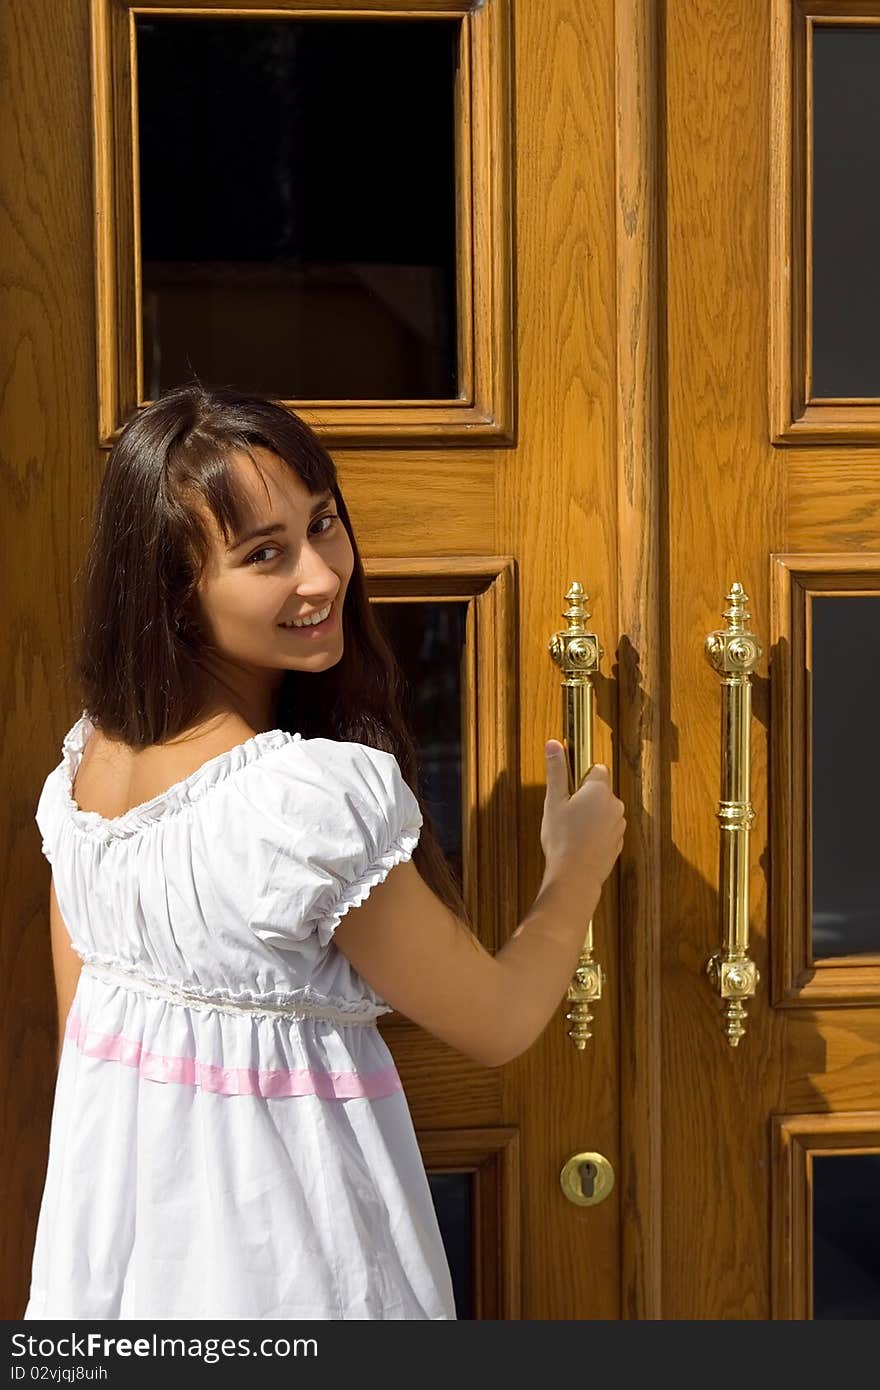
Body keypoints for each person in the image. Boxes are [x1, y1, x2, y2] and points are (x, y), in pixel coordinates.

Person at [23, 384, 626, 1321]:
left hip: (125, 1255)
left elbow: (86, 1040)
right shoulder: (302, 804)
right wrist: (574, 868)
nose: (321, 574)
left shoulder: (89, 765)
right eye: (264, 554)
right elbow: (497, 1021)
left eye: (324, 524)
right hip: (287, 1260)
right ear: (173, 591)